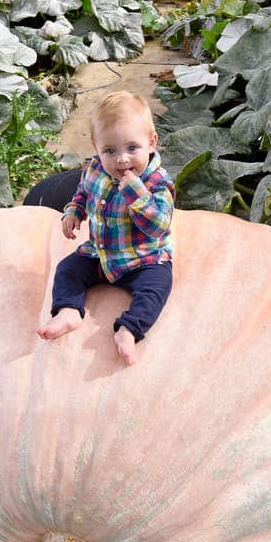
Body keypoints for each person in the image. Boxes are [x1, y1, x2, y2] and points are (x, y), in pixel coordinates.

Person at [37, 91, 174, 365]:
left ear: (151, 142)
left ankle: (129, 329)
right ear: (96, 147)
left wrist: (137, 195)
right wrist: (74, 211)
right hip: (100, 254)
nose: (122, 159)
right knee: (67, 269)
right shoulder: (96, 169)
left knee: (158, 287)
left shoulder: (158, 183)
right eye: (110, 150)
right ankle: (68, 311)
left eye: (132, 148)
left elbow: (158, 227)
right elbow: (83, 192)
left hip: (144, 258)